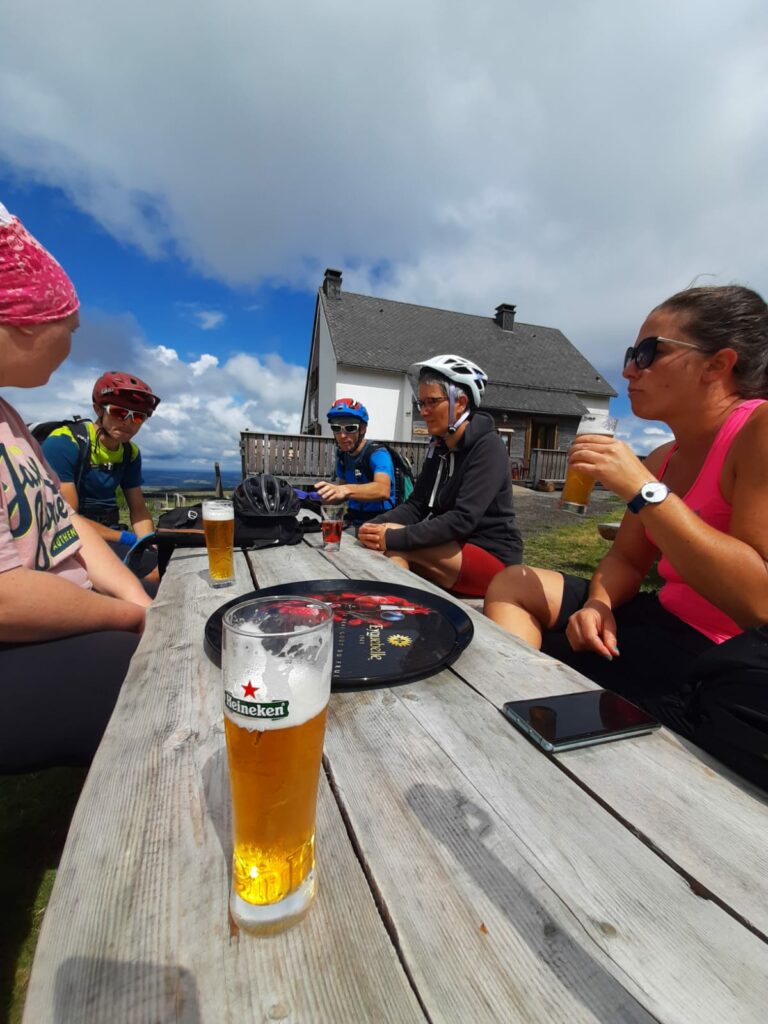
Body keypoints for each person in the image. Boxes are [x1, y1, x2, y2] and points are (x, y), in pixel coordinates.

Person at [484, 285, 768, 734]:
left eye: (649, 352)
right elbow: (627, 559)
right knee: (514, 581)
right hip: (659, 620)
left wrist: (643, 490)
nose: (628, 369)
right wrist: (599, 604)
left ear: (718, 364)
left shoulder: (758, 429)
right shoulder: (665, 456)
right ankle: (517, 713)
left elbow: (759, 600)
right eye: (631, 352)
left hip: (717, 658)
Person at [0, 202, 152, 772]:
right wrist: (127, 616)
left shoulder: (9, 416)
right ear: (20, 317)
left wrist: (141, 596)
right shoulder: (67, 440)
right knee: (159, 682)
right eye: (65, 318)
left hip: (65, 602)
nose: (74, 331)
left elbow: (65, 528)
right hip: (24, 630)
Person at [358, 354, 523, 596]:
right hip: (453, 548)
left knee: (400, 546)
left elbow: (462, 519)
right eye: (421, 403)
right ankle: (397, 617)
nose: (423, 412)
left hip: (494, 558)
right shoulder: (439, 447)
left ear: (461, 402)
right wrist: (373, 526)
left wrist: (393, 535)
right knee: (386, 546)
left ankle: (400, 615)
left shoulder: (489, 447)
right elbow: (416, 506)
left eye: (432, 402)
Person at [42, 370, 161, 580]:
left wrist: (147, 544)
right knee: (149, 579)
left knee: (163, 569)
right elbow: (68, 519)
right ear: (98, 409)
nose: (129, 422)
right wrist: (124, 538)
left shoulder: (129, 452)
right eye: (119, 412)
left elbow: (139, 510)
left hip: (109, 531)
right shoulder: (65, 443)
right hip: (68, 535)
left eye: (138, 417)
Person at [314, 398, 395, 524]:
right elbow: (341, 492)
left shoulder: (378, 453)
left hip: (380, 521)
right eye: (336, 428)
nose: (342, 435)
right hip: (353, 518)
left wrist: (343, 490)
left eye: (350, 428)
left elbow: (383, 489)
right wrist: (317, 497)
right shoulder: (342, 455)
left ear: (362, 429)